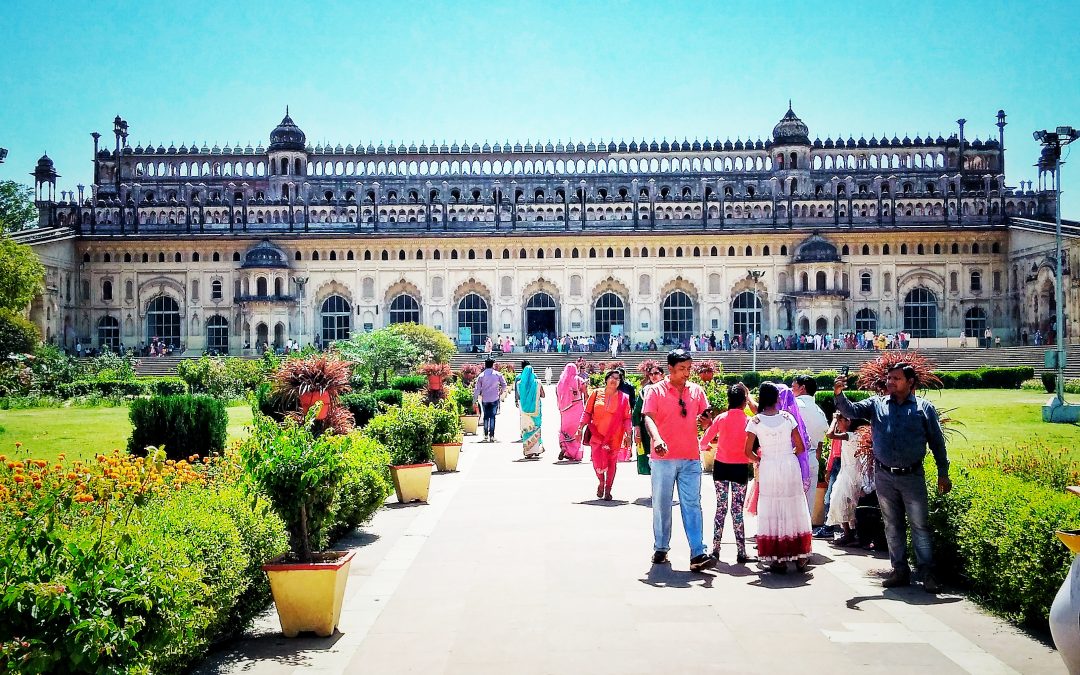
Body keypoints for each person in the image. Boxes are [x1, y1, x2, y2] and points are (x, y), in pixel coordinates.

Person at [834, 363, 950, 592]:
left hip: (912, 476)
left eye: (896, 378)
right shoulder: (877, 404)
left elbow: (937, 444)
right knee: (892, 526)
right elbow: (852, 411)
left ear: (910, 382)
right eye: (889, 378)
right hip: (884, 476)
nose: (890, 382)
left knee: (920, 526)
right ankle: (900, 571)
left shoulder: (924, 409)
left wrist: (942, 473)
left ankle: (927, 573)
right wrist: (839, 394)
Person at [642, 349, 716, 572]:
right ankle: (661, 547)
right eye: (682, 369)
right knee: (662, 504)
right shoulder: (655, 391)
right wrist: (657, 439)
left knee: (692, 504)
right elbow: (648, 418)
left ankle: (697, 552)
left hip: (690, 457)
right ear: (671, 369)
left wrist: (706, 420)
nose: (687, 373)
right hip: (663, 458)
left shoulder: (697, 391)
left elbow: (706, 422)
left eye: (689, 368)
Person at [745, 382, 813, 573]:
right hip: (789, 464)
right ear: (777, 398)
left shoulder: (755, 421)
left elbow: (747, 451)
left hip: (768, 466)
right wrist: (786, 454)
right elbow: (800, 447)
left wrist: (761, 459)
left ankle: (778, 559)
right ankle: (800, 557)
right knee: (793, 506)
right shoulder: (787, 417)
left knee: (772, 508)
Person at [698, 384, 755, 564]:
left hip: (721, 466)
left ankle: (716, 549)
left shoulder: (721, 418)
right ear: (744, 402)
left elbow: (703, 442)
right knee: (737, 510)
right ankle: (741, 551)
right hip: (740, 467)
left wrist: (708, 447)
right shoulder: (748, 421)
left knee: (721, 508)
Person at [577, 369, 631, 500]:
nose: (614, 380)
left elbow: (627, 418)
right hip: (597, 434)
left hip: (615, 435)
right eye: (612, 377)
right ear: (606, 379)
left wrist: (629, 434)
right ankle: (601, 482)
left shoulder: (624, 398)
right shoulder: (596, 393)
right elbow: (587, 412)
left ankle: (608, 489)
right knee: (596, 461)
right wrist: (580, 428)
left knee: (612, 462)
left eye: (618, 379)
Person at [825, 413, 871, 546]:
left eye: (840, 421)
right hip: (852, 472)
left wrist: (833, 419)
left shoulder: (850, 436)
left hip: (850, 473)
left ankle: (849, 534)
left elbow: (830, 434)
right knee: (846, 503)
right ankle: (850, 533)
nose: (838, 425)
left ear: (848, 421)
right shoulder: (857, 436)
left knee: (841, 502)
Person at [790, 375, 830, 521]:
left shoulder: (792, 406)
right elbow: (820, 443)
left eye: (793, 386)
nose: (791, 389)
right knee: (806, 506)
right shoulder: (820, 412)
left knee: (788, 503)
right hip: (812, 458)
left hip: (793, 457)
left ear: (802, 388)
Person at [632, 365, 664, 475]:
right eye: (651, 374)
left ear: (662, 374)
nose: (653, 376)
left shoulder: (669, 389)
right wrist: (637, 429)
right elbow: (636, 412)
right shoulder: (645, 391)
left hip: (665, 426)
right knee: (650, 456)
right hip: (647, 429)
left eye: (656, 373)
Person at [556, 362, 588, 462]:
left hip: (565, 410)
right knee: (576, 431)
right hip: (577, 407)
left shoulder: (561, 382)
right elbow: (585, 394)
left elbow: (557, 396)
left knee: (564, 430)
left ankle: (565, 448)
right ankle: (576, 453)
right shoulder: (579, 380)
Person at [472, 358, 506, 443]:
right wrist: (500, 392)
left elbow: (477, 389)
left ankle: (486, 435)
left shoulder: (481, 376)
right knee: (493, 417)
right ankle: (492, 436)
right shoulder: (497, 374)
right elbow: (504, 385)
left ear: (485, 365)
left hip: (485, 399)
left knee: (486, 416)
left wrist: (474, 400)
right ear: (493, 365)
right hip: (495, 398)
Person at [517, 362, 545, 458]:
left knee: (527, 429)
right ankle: (536, 450)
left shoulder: (519, 384)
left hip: (524, 411)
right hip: (536, 410)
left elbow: (520, 396)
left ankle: (528, 451)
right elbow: (543, 395)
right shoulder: (537, 383)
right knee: (536, 428)